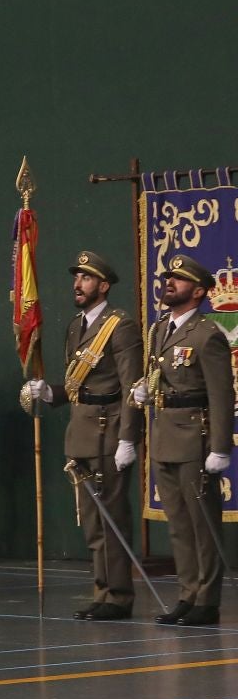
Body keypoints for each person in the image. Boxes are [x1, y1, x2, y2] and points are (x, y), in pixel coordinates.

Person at [24, 251, 144, 620]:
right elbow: (79, 388)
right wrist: (51, 393)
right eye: (77, 277)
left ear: (103, 286)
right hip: (81, 429)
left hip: (108, 432)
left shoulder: (119, 325)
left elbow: (130, 386)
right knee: (93, 521)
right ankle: (103, 590)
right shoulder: (76, 326)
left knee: (112, 519)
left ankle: (119, 596)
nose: (78, 284)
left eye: (87, 278)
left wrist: (129, 438)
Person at [136, 254, 232, 626]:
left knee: (201, 524)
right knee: (178, 524)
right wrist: (145, 390)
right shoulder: (160, 330)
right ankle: (188, 593)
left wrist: (220, 448)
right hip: (165, 433)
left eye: (179, 279)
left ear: (199, 291)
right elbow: (159, 376)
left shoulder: (207, 335)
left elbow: (222, 395)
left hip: (196, 437)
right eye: (169, 277)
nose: (170, 282)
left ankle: (207, 600)